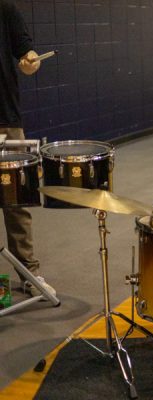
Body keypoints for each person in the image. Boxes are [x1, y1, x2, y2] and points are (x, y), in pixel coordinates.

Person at [0, 0, 55, 297]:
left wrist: (31, 61)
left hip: (6, 120)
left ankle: (28, 273)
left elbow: (28, 55)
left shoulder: (5, 9)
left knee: (17, 201)